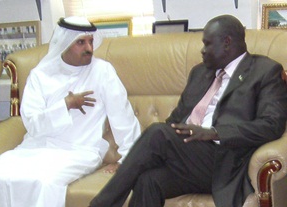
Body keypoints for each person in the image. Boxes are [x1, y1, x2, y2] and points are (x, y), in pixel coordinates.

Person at [89, 15, 287, 207]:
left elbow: (272, 125)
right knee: (148, 180)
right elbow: (175, 120)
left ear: (227, 42)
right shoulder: (200, 72)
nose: (202, 50)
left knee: (158, 133)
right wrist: (139, 159)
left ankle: (101, 204)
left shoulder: (264, 71)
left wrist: (215, 133)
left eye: (207, 44)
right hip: (188, 157)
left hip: (225, 160)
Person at [0, 16, 141, 207]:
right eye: (81, 43)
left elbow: (122, 117)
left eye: (90, 42)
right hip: (35, 148)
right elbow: (32, 124)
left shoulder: (102, 71)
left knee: (43, 184)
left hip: (80, 150)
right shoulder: (41, 75)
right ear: (65, 43)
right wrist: (65, 105)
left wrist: (128, 159)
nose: (89, 49)